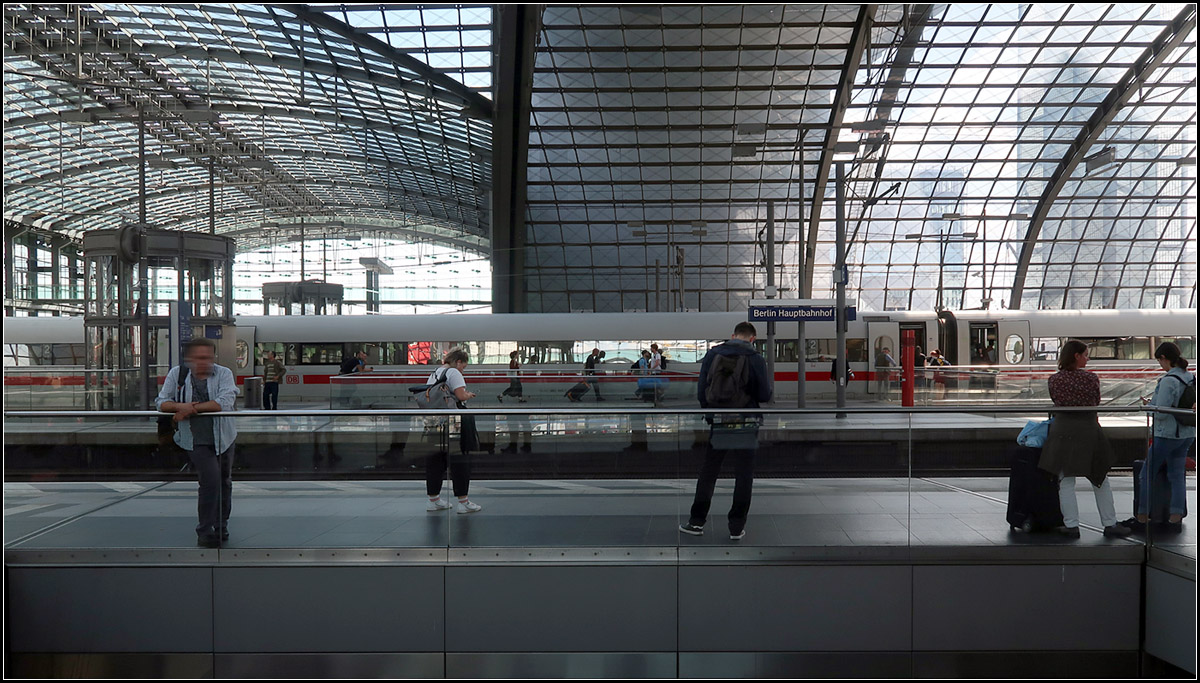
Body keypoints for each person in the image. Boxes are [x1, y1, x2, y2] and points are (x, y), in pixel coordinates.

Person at [680, 322, 772, 541]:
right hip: (746, 421)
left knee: (709, 472)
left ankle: (696, 522)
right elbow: (764, 394)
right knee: (743, 474)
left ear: (732, 335)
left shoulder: (713, 355)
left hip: (720, 421)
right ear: (752, 338)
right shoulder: (756, 359)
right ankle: (736, 528)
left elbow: (702, 390)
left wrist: (711, 412)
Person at [1038, 340, 1131, 539]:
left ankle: (1072, 526)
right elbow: (1095, 401)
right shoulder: (1091, 379)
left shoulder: (1054, 380)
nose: (1087, 359)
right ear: (1076, 356)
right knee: (1100, 479)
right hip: (1089, 431)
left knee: (1066, 481)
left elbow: (1057, 401)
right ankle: (1110, 523)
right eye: (1085, 355)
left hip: (1063, 431)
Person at [155, 338, 238, 548]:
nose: (206, 362)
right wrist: (179, 406)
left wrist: (190, 409)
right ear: (189, 359)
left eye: (209, 357)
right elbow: (161, 402)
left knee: (224, 483)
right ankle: (205, 530)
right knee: (210, 481)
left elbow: (224, 402)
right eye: (200, 358)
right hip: (194, 440)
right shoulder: (178, 374)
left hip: (224, 438)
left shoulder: (224, 374)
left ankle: (222, 526)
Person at [1126, 342, 1195, 533]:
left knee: (1147, 473)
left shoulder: (1168, 380)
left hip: (1167, 434)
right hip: (1188, 433)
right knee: (1176, 475)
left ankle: (1142, 515)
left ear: (1165, 358)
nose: (1159, 364)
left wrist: (1149, 406)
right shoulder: (1190, 377)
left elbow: (1162, 411)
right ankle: (1175, 516)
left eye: (1159, 360)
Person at [424, 349, 482, 514]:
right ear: (458, 362)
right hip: (453, 423)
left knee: (436, 459)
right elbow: (460, 395)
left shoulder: (436, 372)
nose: (463, 369)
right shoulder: (454, 373)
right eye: (463, 366)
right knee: (460, 460)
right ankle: (463, 502)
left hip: (435, 422)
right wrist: (468, 395)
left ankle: (433, 500)